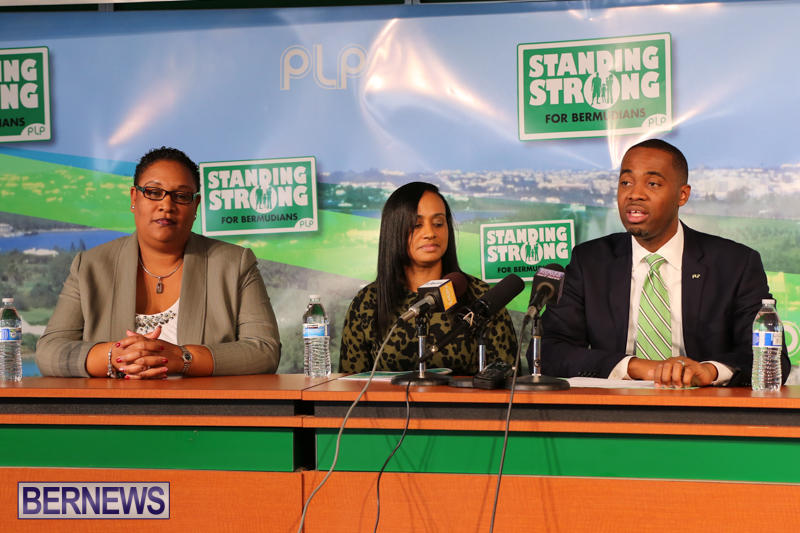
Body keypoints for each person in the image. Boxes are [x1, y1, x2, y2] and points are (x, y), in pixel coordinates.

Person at [541, 139, 790, 387]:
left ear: (682, 195)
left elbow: (772, 356)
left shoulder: (735, 264)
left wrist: (709, 371)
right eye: (626, 182)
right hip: (616, 403)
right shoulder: (590, 261)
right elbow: (551, 349)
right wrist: (636, 367)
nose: (634, 194)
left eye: (652, 184)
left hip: (704, 404)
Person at [36, 147, 280, 378]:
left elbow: (264, 351)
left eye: (181, 196)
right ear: (134, 197)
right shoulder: (90, 266)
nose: (166, 205)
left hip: (202, 406)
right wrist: (115, 356)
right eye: (153, 192)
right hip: (114, 406)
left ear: (195, 206)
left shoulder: (234, 264)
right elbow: (49, 351)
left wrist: (183, 358)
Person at [340, 182, 518, 375]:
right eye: (417, 225)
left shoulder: (482, 297)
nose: (430, 233)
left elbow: (509, 376)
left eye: (438, 223)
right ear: (394, 230)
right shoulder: (367, 302)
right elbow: (351, 383)